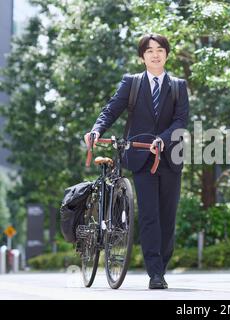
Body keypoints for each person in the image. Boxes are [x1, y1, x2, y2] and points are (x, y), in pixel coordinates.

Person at [84, 34, 189, 289]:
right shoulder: (131, 84)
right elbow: (111, 109)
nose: (155, 54)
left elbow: (180, 120)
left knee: (167, 217)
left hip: (169, 158)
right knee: (150, 215)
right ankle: (155, 274)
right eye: (149, 50)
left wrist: (163, 139)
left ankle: (161, 265)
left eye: (160, 50)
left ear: (167, 54)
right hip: (141, 158)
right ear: (142, 56)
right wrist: (97, 130)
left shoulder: (178, 86)